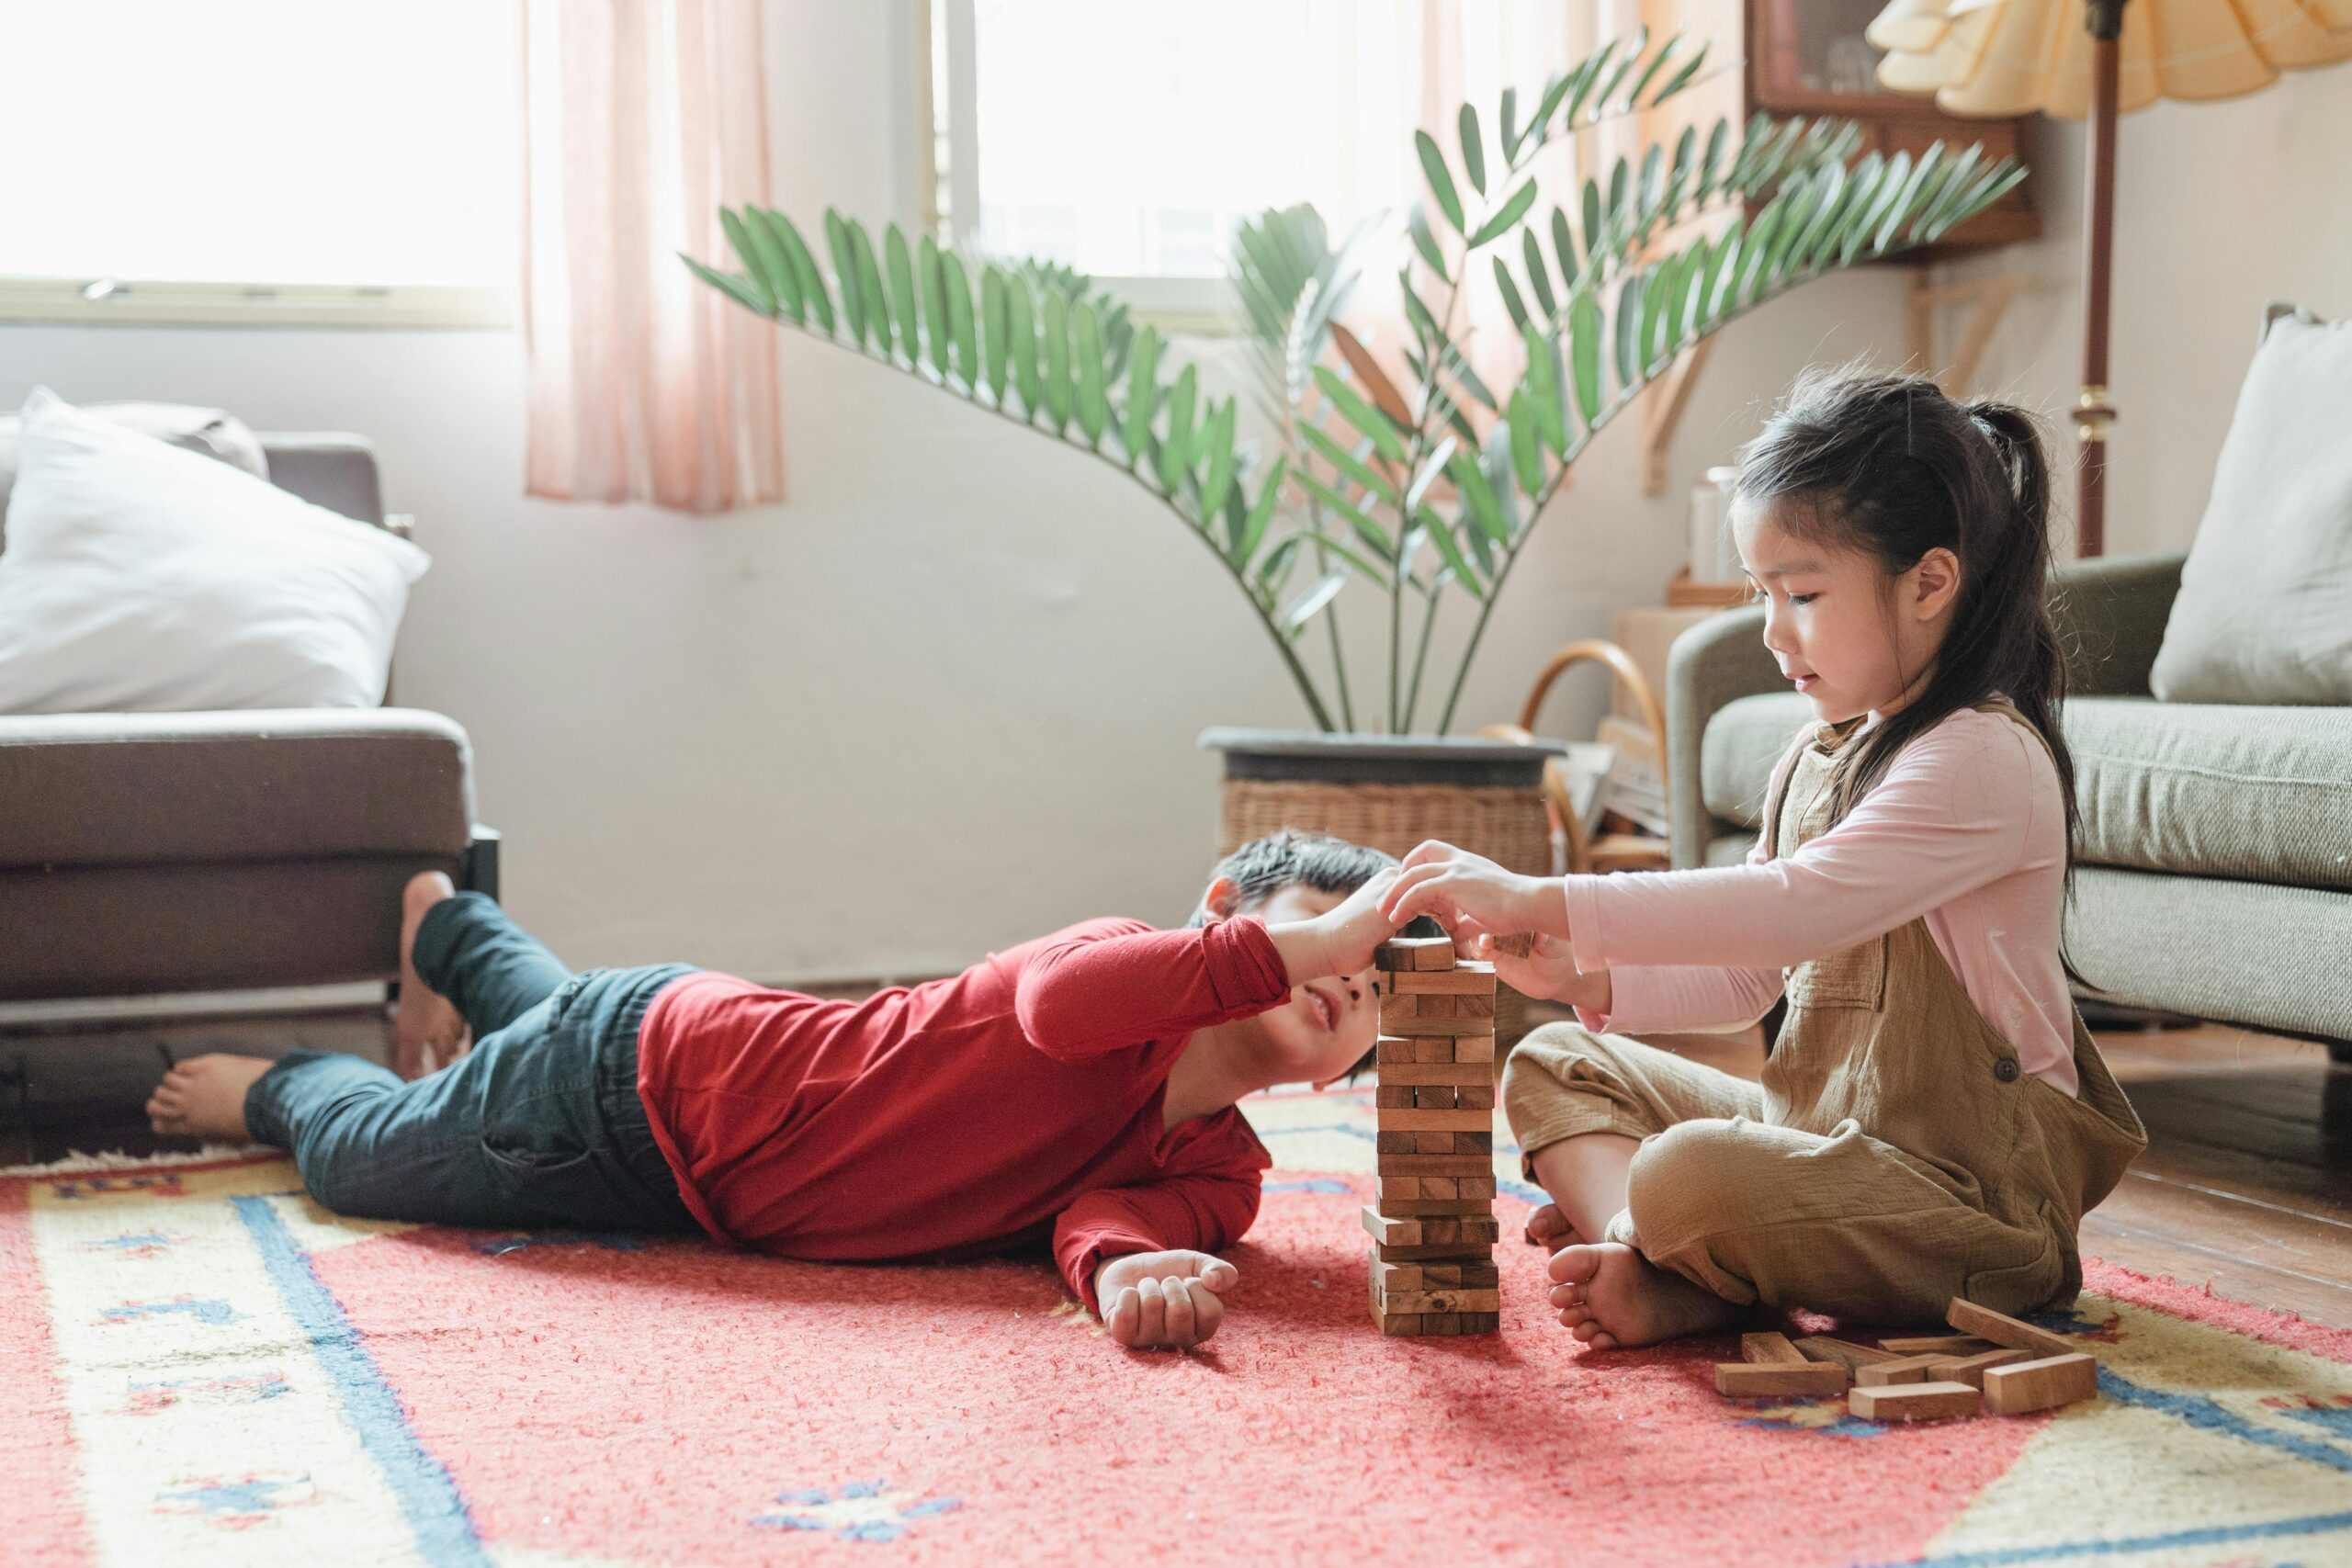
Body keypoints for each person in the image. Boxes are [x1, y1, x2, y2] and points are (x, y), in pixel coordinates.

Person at [1382, 369, 2146, 1348]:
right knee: (1552, 1058)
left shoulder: (1981, 758)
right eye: (1761, 594)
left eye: (1802, 594)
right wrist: (1585, 971)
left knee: (1681, 1172)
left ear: (1927, 582)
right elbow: (1754, 976)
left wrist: (1547, 894)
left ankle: (1656, 1244)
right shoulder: (1819, 753)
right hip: (1824, 1147)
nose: (1773, 632)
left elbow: (1794, 907)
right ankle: (1675, 1256)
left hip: (1974, 1213)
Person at [147, 829, 1405, 1352]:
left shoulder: (1225, 1169)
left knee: (540, 1014)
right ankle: (287, 1082)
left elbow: (1105, 1217)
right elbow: (1051, 1013)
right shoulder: (1113, 961)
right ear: (1230, 915)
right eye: (1338, 935)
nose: (1358, 973)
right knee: (360, 1163)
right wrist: (1324, 936)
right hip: (643, 1089)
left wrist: (1123, 1272)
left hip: (676, 1124)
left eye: (1384, 983)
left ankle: (453, 927)